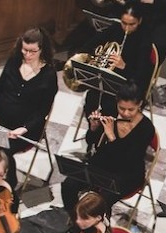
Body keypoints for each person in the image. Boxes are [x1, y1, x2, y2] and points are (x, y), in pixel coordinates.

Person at [0, 28, 58, 188]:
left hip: (26, 128)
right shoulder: (14, 60)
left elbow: (42, 111)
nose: (27, 55)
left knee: (5, 152)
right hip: (0, 118)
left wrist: (24, 128)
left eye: (33, 51)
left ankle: (8, 186)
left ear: (42, 49)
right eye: (25, 49)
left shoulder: (49, 75)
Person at [60, 83, 155, 215]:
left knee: (101, 203)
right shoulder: (110, 110)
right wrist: (93, 128)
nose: (126, 113)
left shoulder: (146, 128)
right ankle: (76, 219)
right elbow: (91, 141)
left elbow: (128, 160)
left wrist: (111, 136)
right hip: (103, 163)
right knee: (68, 185)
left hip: (127, 174)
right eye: (121, 108)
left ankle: (99, 230)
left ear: (139, 105)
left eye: (131, 109)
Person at [78, 3, 155, 118]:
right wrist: (89, 56)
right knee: (91, 99)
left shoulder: (144, 41)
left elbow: (142, 76)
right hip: (106, 78)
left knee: (109, 105)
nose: (127, 28)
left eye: (132, 24)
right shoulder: (115, 28)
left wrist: (124, 66)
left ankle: (107, 132)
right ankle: (94, 129)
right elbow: (90, 45)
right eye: (124, 23)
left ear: (139, 21)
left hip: (127, 84)